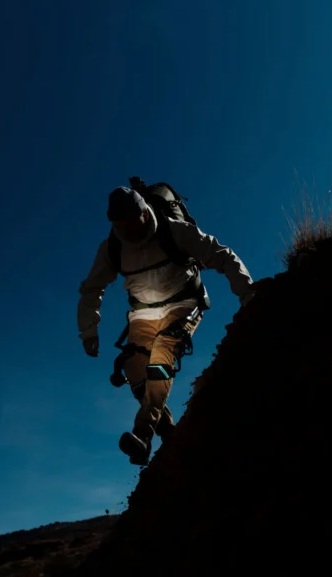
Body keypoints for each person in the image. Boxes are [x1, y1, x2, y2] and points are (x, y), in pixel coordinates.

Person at [78, 185, 255, 465]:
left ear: (144, 214)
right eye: (121, 225)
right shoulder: (112, 248)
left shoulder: (174, 230)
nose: (129, 231)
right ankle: (169, 432)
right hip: (143, 314)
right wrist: (88, 330)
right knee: (134, 368)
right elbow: (92, 289)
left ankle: (142, 434)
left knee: (162, 354)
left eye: (132, 223)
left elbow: (222, 255)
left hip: (183, 303)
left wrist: (247, 293)